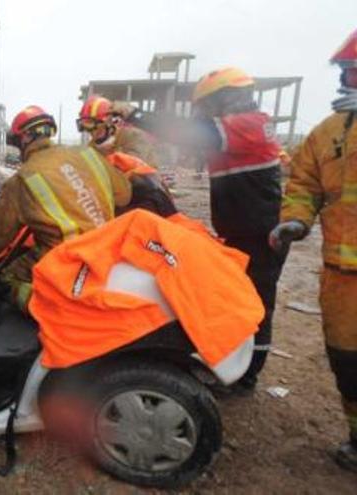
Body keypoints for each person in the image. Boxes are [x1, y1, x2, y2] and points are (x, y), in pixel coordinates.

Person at [117, 68, 286, 393]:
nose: (204, 113)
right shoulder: (242, 126)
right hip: (246, 231)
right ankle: (235, 365)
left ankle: (247, 375)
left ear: (225, 99)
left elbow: (188, 133)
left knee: (258, 303)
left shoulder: (246, 125)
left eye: (207, 106)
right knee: (238, 297)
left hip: (260, 234)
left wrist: (136, 115)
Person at [269, 28, 357, 472]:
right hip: (341, 275)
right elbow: (303, 182)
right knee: (348, 362)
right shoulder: (328, 133)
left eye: (354, 73)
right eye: (345, 73)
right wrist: (297, 219)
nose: (346, 82)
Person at [0, 105, 131, 310]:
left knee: (7, 278)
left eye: (18, 144)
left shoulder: (23, 179)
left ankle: (53, 311)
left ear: (25, 139)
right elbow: (124, 195)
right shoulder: (88, 154)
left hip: (68, 260)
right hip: (110, 248)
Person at [77, 95, 160, 165]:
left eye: (97, 128)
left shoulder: (133, 137)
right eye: (88, 129)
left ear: (110, 122)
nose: (93, 133)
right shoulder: (92, 147)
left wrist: (107, 156)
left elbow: (134, 167)